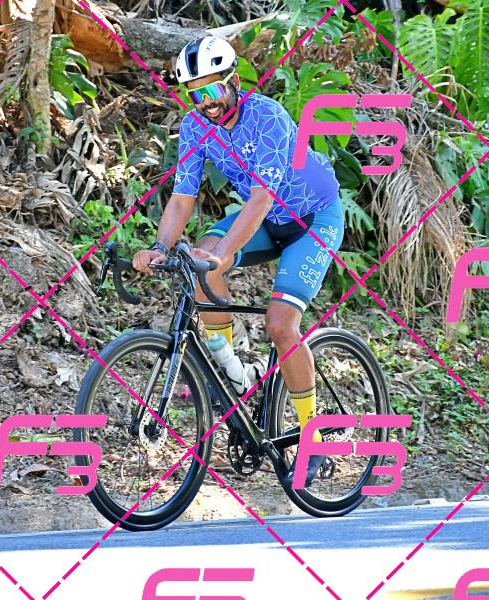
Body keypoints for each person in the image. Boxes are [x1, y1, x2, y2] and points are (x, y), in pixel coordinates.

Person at [132, 36, 345, 488]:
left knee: (280, 325)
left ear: (233, 81)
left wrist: (223, 253)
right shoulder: (195, 125)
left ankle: (313, 435)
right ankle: (231, 372)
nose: (205, 101)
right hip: (267, 218)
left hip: (312, 217)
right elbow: (182, 198)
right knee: (197, 263)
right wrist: (161, 248)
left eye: (213, 89)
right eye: (195, 93)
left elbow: (261, 199)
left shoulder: (266, 116)